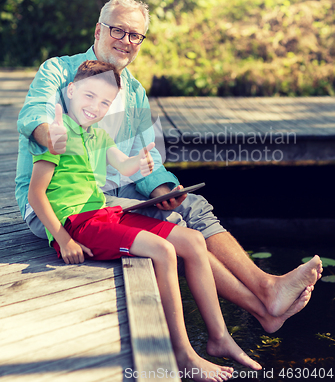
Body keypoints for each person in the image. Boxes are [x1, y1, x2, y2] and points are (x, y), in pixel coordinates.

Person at [16, 0, 322, 336]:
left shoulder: (134, 93)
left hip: (114, 192)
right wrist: (51, 136)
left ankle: (266, 290)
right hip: (63, 203)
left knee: (191, 204)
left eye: (135, 36)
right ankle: (262, 303)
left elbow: (149, 160)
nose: (126, 41)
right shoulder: (59, 70)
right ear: (98, 30)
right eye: (118, 30)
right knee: (176, 223)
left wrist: (164, 190)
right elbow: (35, 114)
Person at [28, 60, 264, 380]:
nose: (94, 107)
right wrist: (64, 239)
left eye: (104, 102)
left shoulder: (97, 135)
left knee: (193, 240)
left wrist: (140, 162)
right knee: (164, 251)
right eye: (88, 96)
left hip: (104, 214)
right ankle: (182, 354)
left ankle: (219, 337)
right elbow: (36, 195)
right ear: (70, 91)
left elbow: (123, 166)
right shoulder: (59, 135)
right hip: (78, 226)